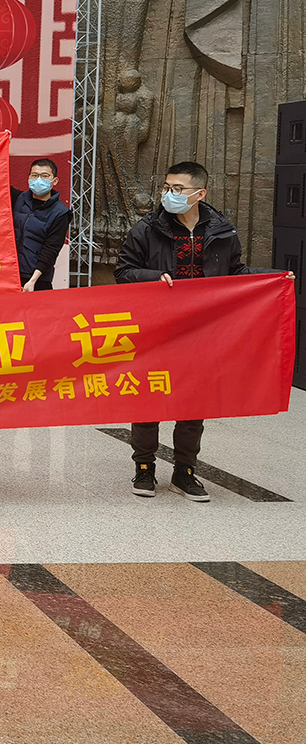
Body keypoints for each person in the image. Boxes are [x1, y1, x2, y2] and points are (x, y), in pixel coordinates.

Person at [115, 161, 287, 501]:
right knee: (149, 399)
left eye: (178, 189)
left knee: (194, 401)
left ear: (200, 193)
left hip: (203, 331)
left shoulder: (222, 230)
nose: (169, 194)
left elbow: (234, 273)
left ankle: (185, 471)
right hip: (157, 329)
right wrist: (153, 277)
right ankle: (144, 467)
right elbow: (123, 271)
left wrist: (273, 278)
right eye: (167, 187)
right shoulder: (147, 229)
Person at [12, 158, 72, 291]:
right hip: (12, 274)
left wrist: (32, 281)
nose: (39, 179)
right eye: (34, 175)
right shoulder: (18, 199)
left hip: (37, 280)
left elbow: (51, 249)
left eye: (45, 176)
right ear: (29, 178)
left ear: (55, 181)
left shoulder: (61, 212)